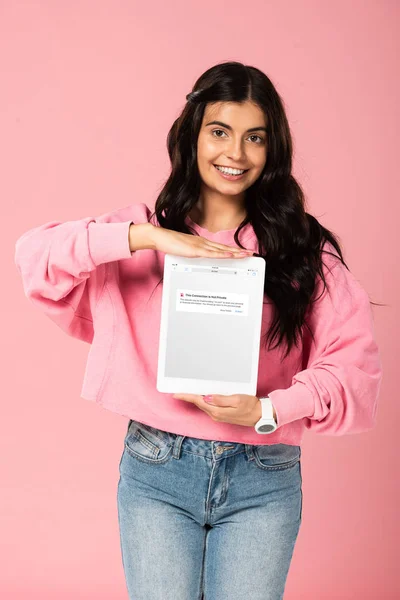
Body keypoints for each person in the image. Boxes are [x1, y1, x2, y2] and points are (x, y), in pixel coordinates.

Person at [14, 61, 383, 600]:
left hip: (264, 474)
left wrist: (266, 410)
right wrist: (153, 239)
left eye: (254, 137)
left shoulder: (303, 250)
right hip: (156, 469)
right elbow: (34, 258)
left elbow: (354, 367)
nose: (235, 153)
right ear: (192, 135)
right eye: (219, 131)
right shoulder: (142, 233)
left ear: (272, 148)